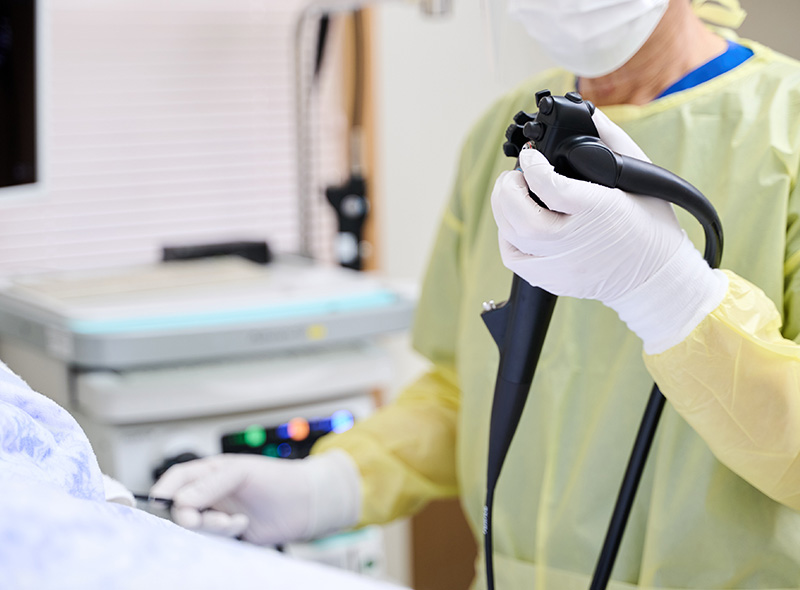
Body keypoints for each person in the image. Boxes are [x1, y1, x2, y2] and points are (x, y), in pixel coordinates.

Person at [152, 0, 800, 588]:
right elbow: (465, 389)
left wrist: (670, 292)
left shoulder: (787, 130)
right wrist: (328, 484)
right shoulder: (509, 133)